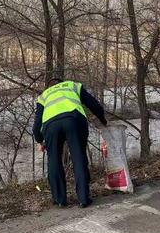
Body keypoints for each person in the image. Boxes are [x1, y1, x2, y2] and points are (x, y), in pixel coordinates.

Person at [33, 77, 107, 207]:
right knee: (79, 157)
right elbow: (93, 104)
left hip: (51, 126)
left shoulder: (44, 95)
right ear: (62, 83)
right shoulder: (72, 86)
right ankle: (83, 199)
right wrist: (103, 121)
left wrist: (40, 141)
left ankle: (60, 200)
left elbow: (35, 126)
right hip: (74, 120)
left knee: (54, 160)